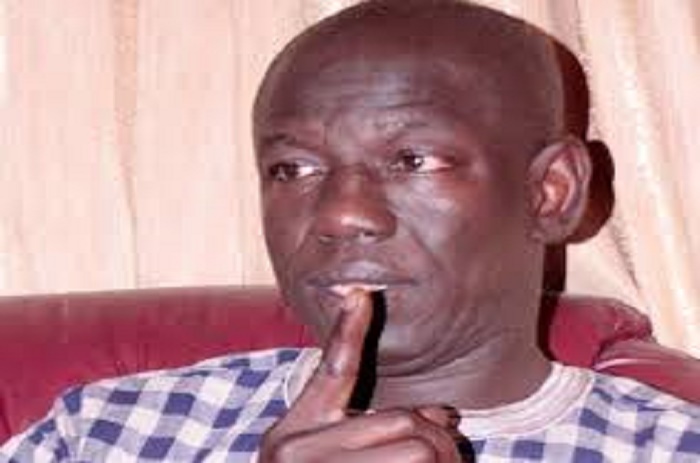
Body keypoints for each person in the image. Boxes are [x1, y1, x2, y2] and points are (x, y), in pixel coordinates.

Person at [2, 0, 699, 461]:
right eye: (294, 169)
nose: (340, 214)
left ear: (552, 191)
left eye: (412, 160)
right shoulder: (105, 431)